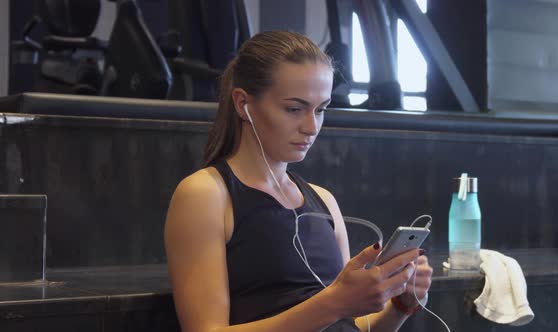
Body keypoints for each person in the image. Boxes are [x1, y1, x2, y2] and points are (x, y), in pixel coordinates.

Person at [164, 30, 433, 332]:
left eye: (321, 110)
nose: (311, 127)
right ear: (243, 104)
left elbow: (351, 326)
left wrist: (400, 305)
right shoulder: (206, 195)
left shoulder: (324, 200)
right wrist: (334, 302)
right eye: (294, 109)